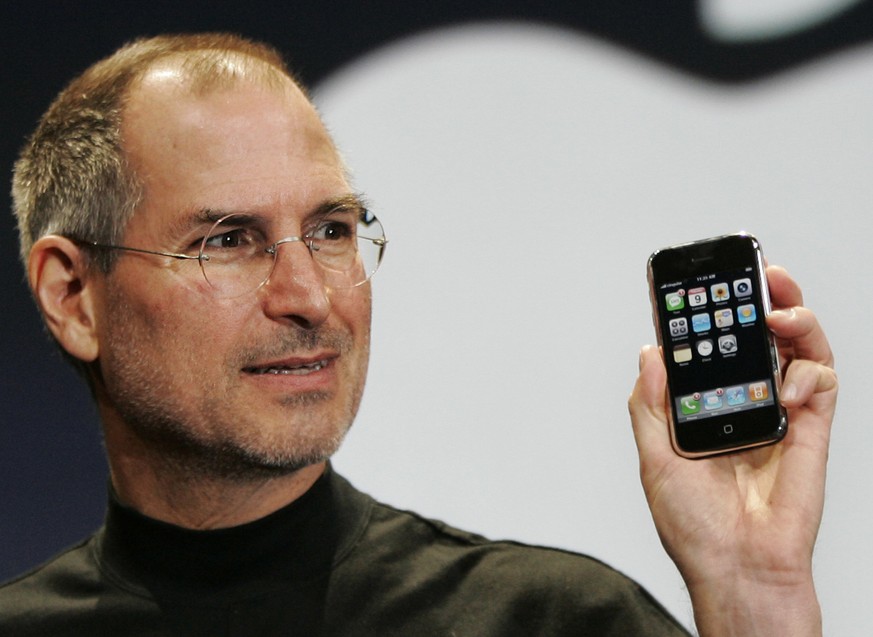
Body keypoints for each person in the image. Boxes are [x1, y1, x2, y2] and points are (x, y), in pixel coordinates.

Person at [1, 33, 837, 636]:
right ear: (73, 296)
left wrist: (752, 594)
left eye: (330, 230)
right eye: (227, 240)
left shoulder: (552, 622)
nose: (309, 298)